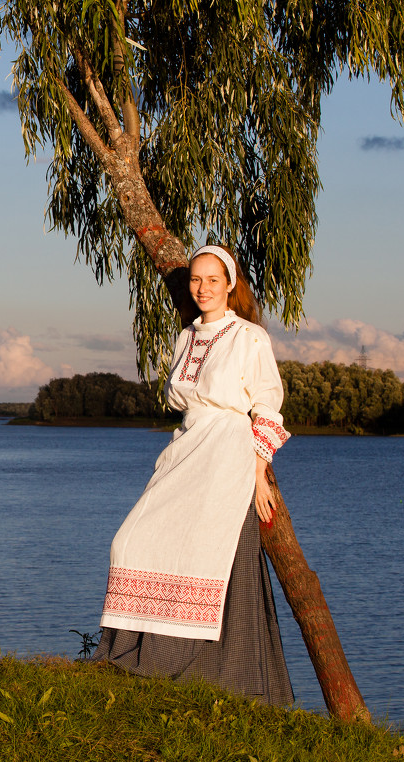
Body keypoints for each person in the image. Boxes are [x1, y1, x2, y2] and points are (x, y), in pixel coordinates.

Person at [89, 244, 294, 706]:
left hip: (227, 451)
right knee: (131, 540)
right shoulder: (186, 336)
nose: (202, 288)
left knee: (207, 551)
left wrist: (259, 473)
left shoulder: (250, 337)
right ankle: (130, 649)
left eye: (212, 280)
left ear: (231, 285)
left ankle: (193, 663)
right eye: (196, 280)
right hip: (186, 446)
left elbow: (266, 404)